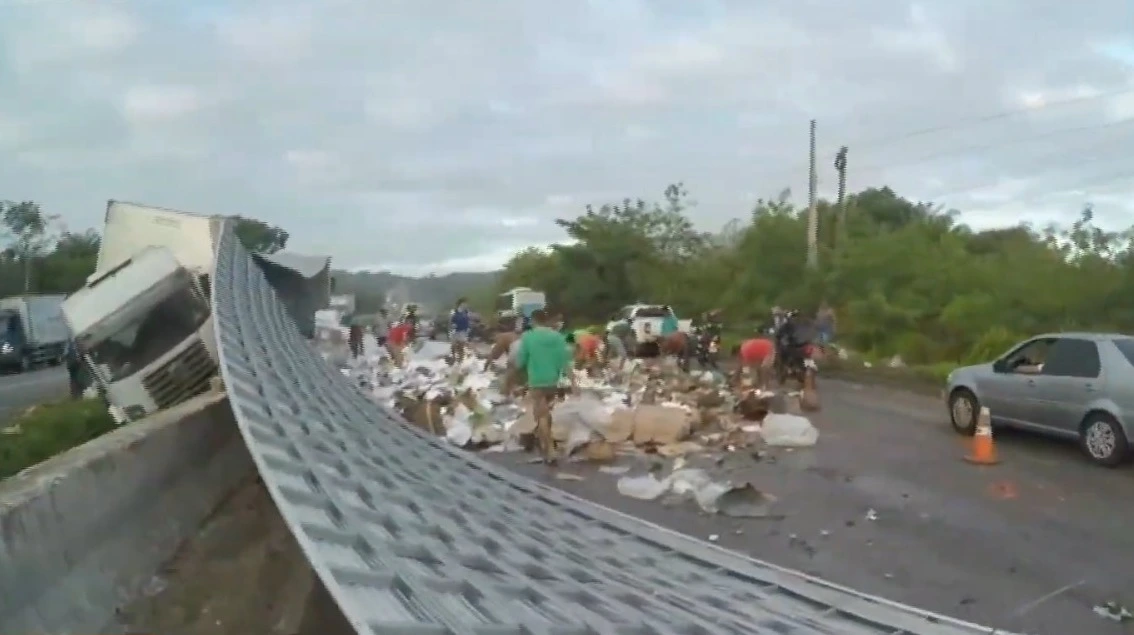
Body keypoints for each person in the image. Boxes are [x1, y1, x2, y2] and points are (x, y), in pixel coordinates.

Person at [516, 309, 574, 464]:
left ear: (533, 321)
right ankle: (544, 444)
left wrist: (519, 378)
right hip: (552, 381)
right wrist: (574, 383)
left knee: (541, 416)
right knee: (546, 413)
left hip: (537, 381)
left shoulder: (528, 336)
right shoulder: (558, 336)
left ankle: (550, 451)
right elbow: (565, 361)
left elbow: (520, 361)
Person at [449, 298, 472, 362]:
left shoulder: (466, 312)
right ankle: (453, 357)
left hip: (463, 331)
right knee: (453, 345)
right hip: (455, 331)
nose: (465, 305)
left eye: (466, 304)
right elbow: (450, 321)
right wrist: (451, 326)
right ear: (460, 304)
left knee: (461, 346)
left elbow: (468, 321)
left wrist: (468, 329)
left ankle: (461, 359)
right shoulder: (454, 311)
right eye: (464, 303)